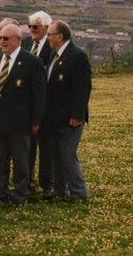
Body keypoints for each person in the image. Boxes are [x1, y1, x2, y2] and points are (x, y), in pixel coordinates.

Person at [0, 24, 45, 206]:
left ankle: (21, 194)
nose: (2, 42)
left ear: (18, 40)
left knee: (21, 162)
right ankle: (1, 193)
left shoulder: (32, 62)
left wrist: (36, 121)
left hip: (20, 123)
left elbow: (39, 95)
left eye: (6, 38)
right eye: (0, 38)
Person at [40, 20, 91, 200]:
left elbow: (82, 89)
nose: (47, 38)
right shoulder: (53, 55)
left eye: (50, 35)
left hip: (70, 118)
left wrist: (77, 115)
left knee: (67, 154)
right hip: (54, 117)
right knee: (56, 154)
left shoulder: (77, 56)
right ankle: (61, 191)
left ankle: (79, 192)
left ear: (60, 36)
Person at [23, 10, 53, 191]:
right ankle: (28, 181)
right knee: (28, 148)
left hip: (45, 105)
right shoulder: (26, 44)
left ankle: (47, 182)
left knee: (46, 148)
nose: (32, 30)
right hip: (26, 105)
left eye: (36, 27)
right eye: (30, 26)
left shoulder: (52, 46)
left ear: (47, 28)